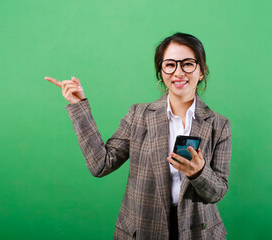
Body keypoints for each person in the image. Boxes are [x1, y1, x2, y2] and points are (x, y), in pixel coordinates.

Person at [45, 32, 231, 240]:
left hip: (198, 232)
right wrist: (79, 106)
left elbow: (218, 192)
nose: (178, 72)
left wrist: (199, 172)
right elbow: (100, 164)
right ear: (161, 72)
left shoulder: (219, 125)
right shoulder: (138, 116)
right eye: (170, 64)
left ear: (202, 71)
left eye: (188, 63)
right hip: (141, 229)